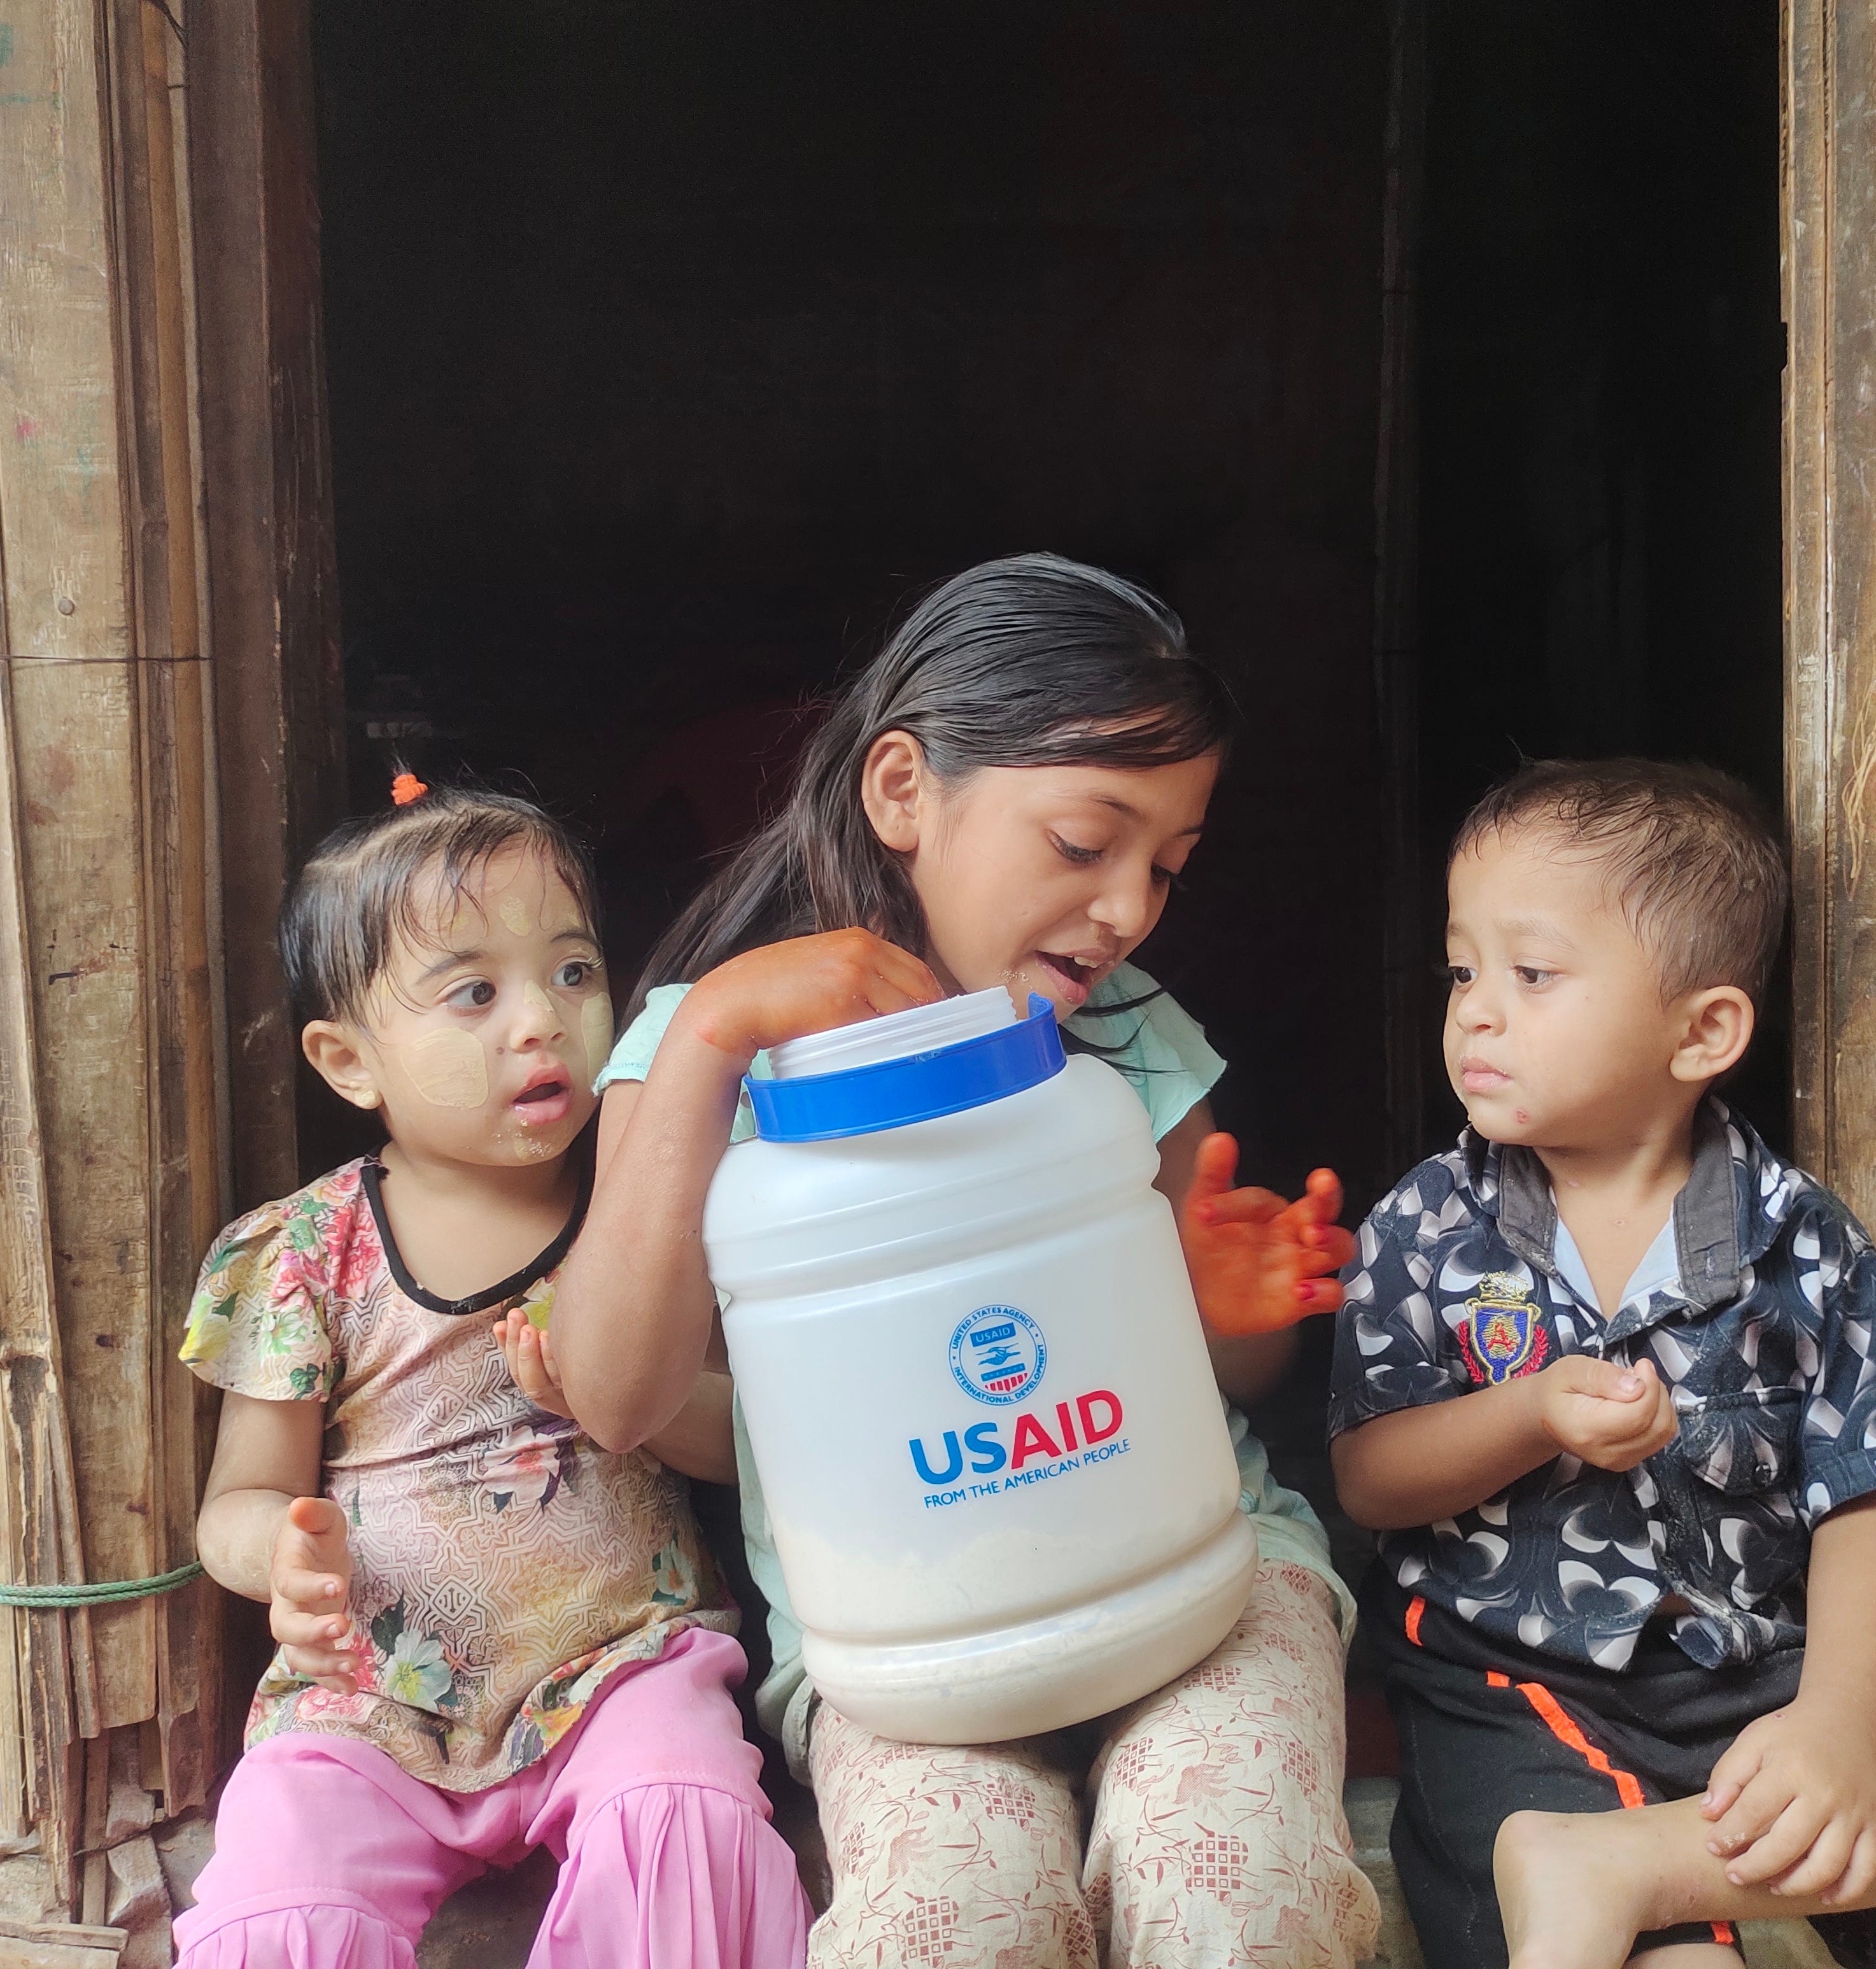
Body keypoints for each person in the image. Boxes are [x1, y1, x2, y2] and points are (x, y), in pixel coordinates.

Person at [528, 554, 1382, 1969]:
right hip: (907, 1644)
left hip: (1203, 1585)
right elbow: (616, 1396)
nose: (1129, 907)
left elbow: (1234, 1374)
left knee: (1233, 1886)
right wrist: (711, 1039)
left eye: (1166, 866)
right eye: (1085, 842)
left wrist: (1226, 1309)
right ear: (903, 789)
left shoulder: (1128, 1041)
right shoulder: (702, 1052)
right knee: (956, 1922)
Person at [1329, 760, 1876, 1969]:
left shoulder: (1799, 1237)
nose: (1476, 1011)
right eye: (1464, 971)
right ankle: (1628, 1882)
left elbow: (1872, 1493)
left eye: (1533, 975)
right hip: (1510, 1685)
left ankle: (1642, 1865)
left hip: (1750, 1673)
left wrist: (1834, 1724)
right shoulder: (1425, 1228)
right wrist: (1529, 1414)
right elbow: (1370, 1480)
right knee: (1631, 1928)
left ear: (1703, 1033)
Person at [173, 780, 810, 1969]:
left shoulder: (648, 1217)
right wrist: (283, 1558)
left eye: (573, 972)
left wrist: (615, 1395)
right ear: (348, 1062)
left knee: (682, 1816)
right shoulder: (306, 1252)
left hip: (622, 1670)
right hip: (372, 1701)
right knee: (279, 1897)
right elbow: (237, 1502)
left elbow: (753, 1449)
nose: (541, 1021)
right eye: (475, 992)